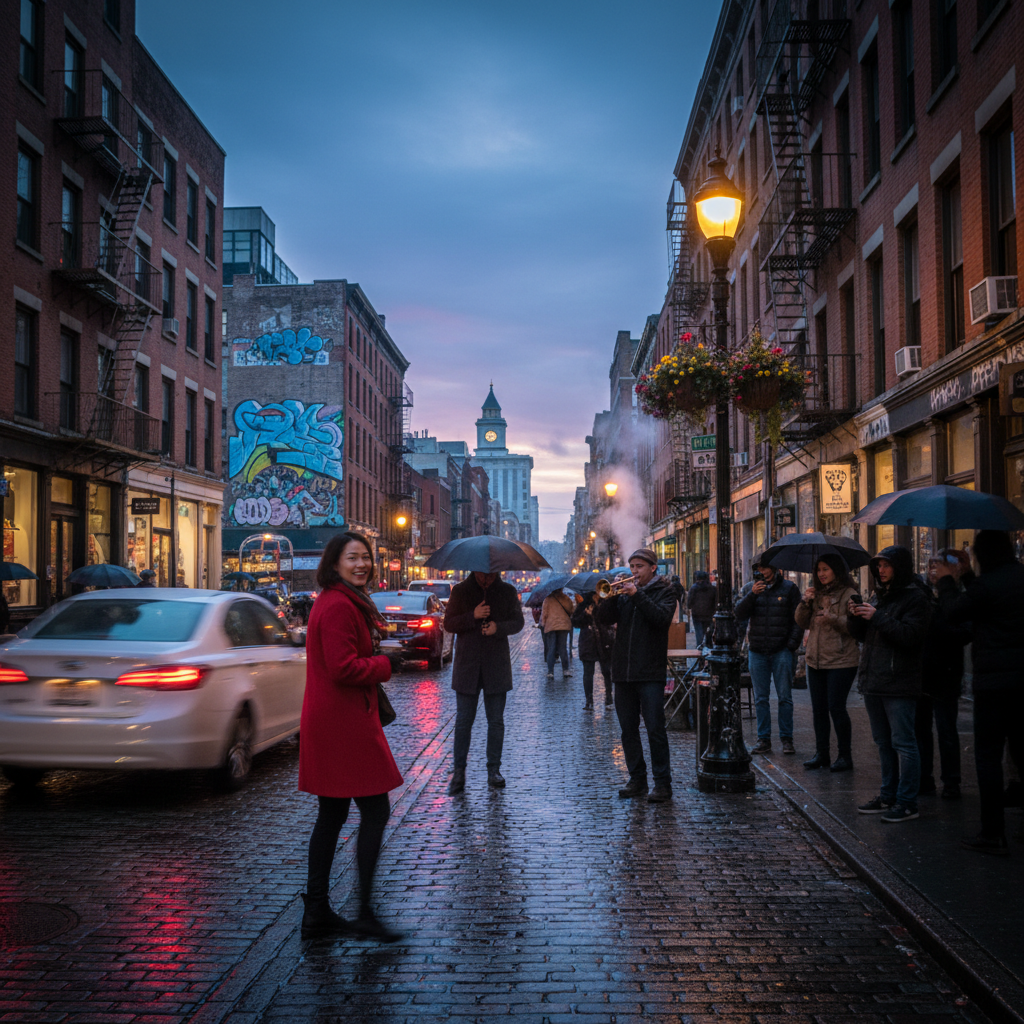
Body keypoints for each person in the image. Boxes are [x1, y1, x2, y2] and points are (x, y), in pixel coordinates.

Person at [297, 531, 403, 943]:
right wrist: (384, 663)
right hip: (343, 724)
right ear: (335, 563)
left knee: (332, 815)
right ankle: (362, 913)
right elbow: (343, 667)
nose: (362, 564)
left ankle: (318, 911)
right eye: (353, 557)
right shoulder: (339, 605)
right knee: (374, 811)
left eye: (366, 557)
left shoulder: (340, 599)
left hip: (337, 720)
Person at [934, 530, 1024, 855]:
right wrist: (968, 576)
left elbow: (954, 611)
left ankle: (992, 832)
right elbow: (983, 598)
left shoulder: (988, 584)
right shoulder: (1016, 577)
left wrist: (947, 579)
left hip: (994, 683)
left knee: (988, 756)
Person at [848, 545, 930, 824]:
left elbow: (911, 636)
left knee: (903, 742)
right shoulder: (879, 595)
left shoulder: (915, 597)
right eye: (878, 566)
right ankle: (888, 794)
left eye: (886, 565)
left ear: (899, 567)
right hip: (874, 678)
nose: (881, 571)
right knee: (883, 742)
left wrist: (877, 616)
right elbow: (865, 636)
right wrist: (855, 616)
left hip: (898, 680)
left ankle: (907, 802)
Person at [595, 548, 682, 802]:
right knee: (628, 730)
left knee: (655, 728)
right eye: (631, 566)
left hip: (650, 670)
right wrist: (610, 597)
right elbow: (603, 618)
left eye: (639, 567)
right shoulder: (624, 593)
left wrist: (637, 595)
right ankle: (637, 779)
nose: (634, 571)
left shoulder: (666, 591)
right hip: (623, 671)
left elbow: (660, 619)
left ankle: (662, 783)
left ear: (653, 568)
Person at [443, 569, 525, 794]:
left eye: (491, 574)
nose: (487, 578)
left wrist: (498, 628)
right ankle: (459, 772)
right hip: (467, 666)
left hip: (496, 665)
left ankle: (494, 770)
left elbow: (518, 622)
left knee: (496, 721)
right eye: (482, 574)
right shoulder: (460, 591)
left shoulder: (507, 591)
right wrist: (473, 615)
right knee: (464, 721)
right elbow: (449, 624)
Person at [794, 555, 861, 772]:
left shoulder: (849, 594)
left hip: (841, 660)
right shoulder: (817, 594)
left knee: (836, 707)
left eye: (826, 569)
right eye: (819, 570)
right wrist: (805, 602)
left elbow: (855, 627)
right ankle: (822, 753)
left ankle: (844, 756)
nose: (821, 574)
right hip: (815, 660)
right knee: (819, 709)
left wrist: (831, 618)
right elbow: (801, 622)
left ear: (836, 570)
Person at [917, 549, 972, 799]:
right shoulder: (923, 595)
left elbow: (964, 632)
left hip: (947, 671)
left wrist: (937, 623)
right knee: (922, 729)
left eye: (939, 565)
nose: (933, 569)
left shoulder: (960, 596)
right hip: (923, 670)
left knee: (946, 729)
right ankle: (924, 778)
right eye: (931, 564)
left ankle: (951, 781)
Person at [735, 556, 803, 755]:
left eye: (764, 568)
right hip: (757, 650)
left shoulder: (789, 588)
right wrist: (752, 595)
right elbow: (738, 613)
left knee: (784, 697)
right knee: (760, 698)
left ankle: (787, 739)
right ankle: (763, 739)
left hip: (781, 650)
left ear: (773, 568)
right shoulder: (751, 589)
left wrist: (791, 645)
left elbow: (798, 619)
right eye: (758, 569)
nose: (762, 572)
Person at [570, 592, 615, 709]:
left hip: (604, 640)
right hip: (588, 642)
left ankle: (609, 698)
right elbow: (575, 622)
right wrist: (586, 614)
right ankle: (589, 701)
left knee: (607, 671)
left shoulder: (606, 602)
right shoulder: (584, 604)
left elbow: (611, 618)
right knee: (588, 673)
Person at [540, 588, 574, 680]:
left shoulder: (548, 599)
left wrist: (543, 624)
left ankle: (550, 671)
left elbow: (544, 614)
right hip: (564, 626)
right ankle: (565, 670)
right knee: (563, 648)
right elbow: (571, 610)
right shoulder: (566, 598)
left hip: (551, 626)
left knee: (551, 649)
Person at [685, 570, 717, 648]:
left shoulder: (693, 588)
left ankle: (700, 646)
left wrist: (689, 607)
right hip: (709, 613)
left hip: (697, 614)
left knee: (699, 631)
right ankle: (708, 646)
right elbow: (715, 601)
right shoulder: (712, 588)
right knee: (708, 630)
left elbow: (689, 601)